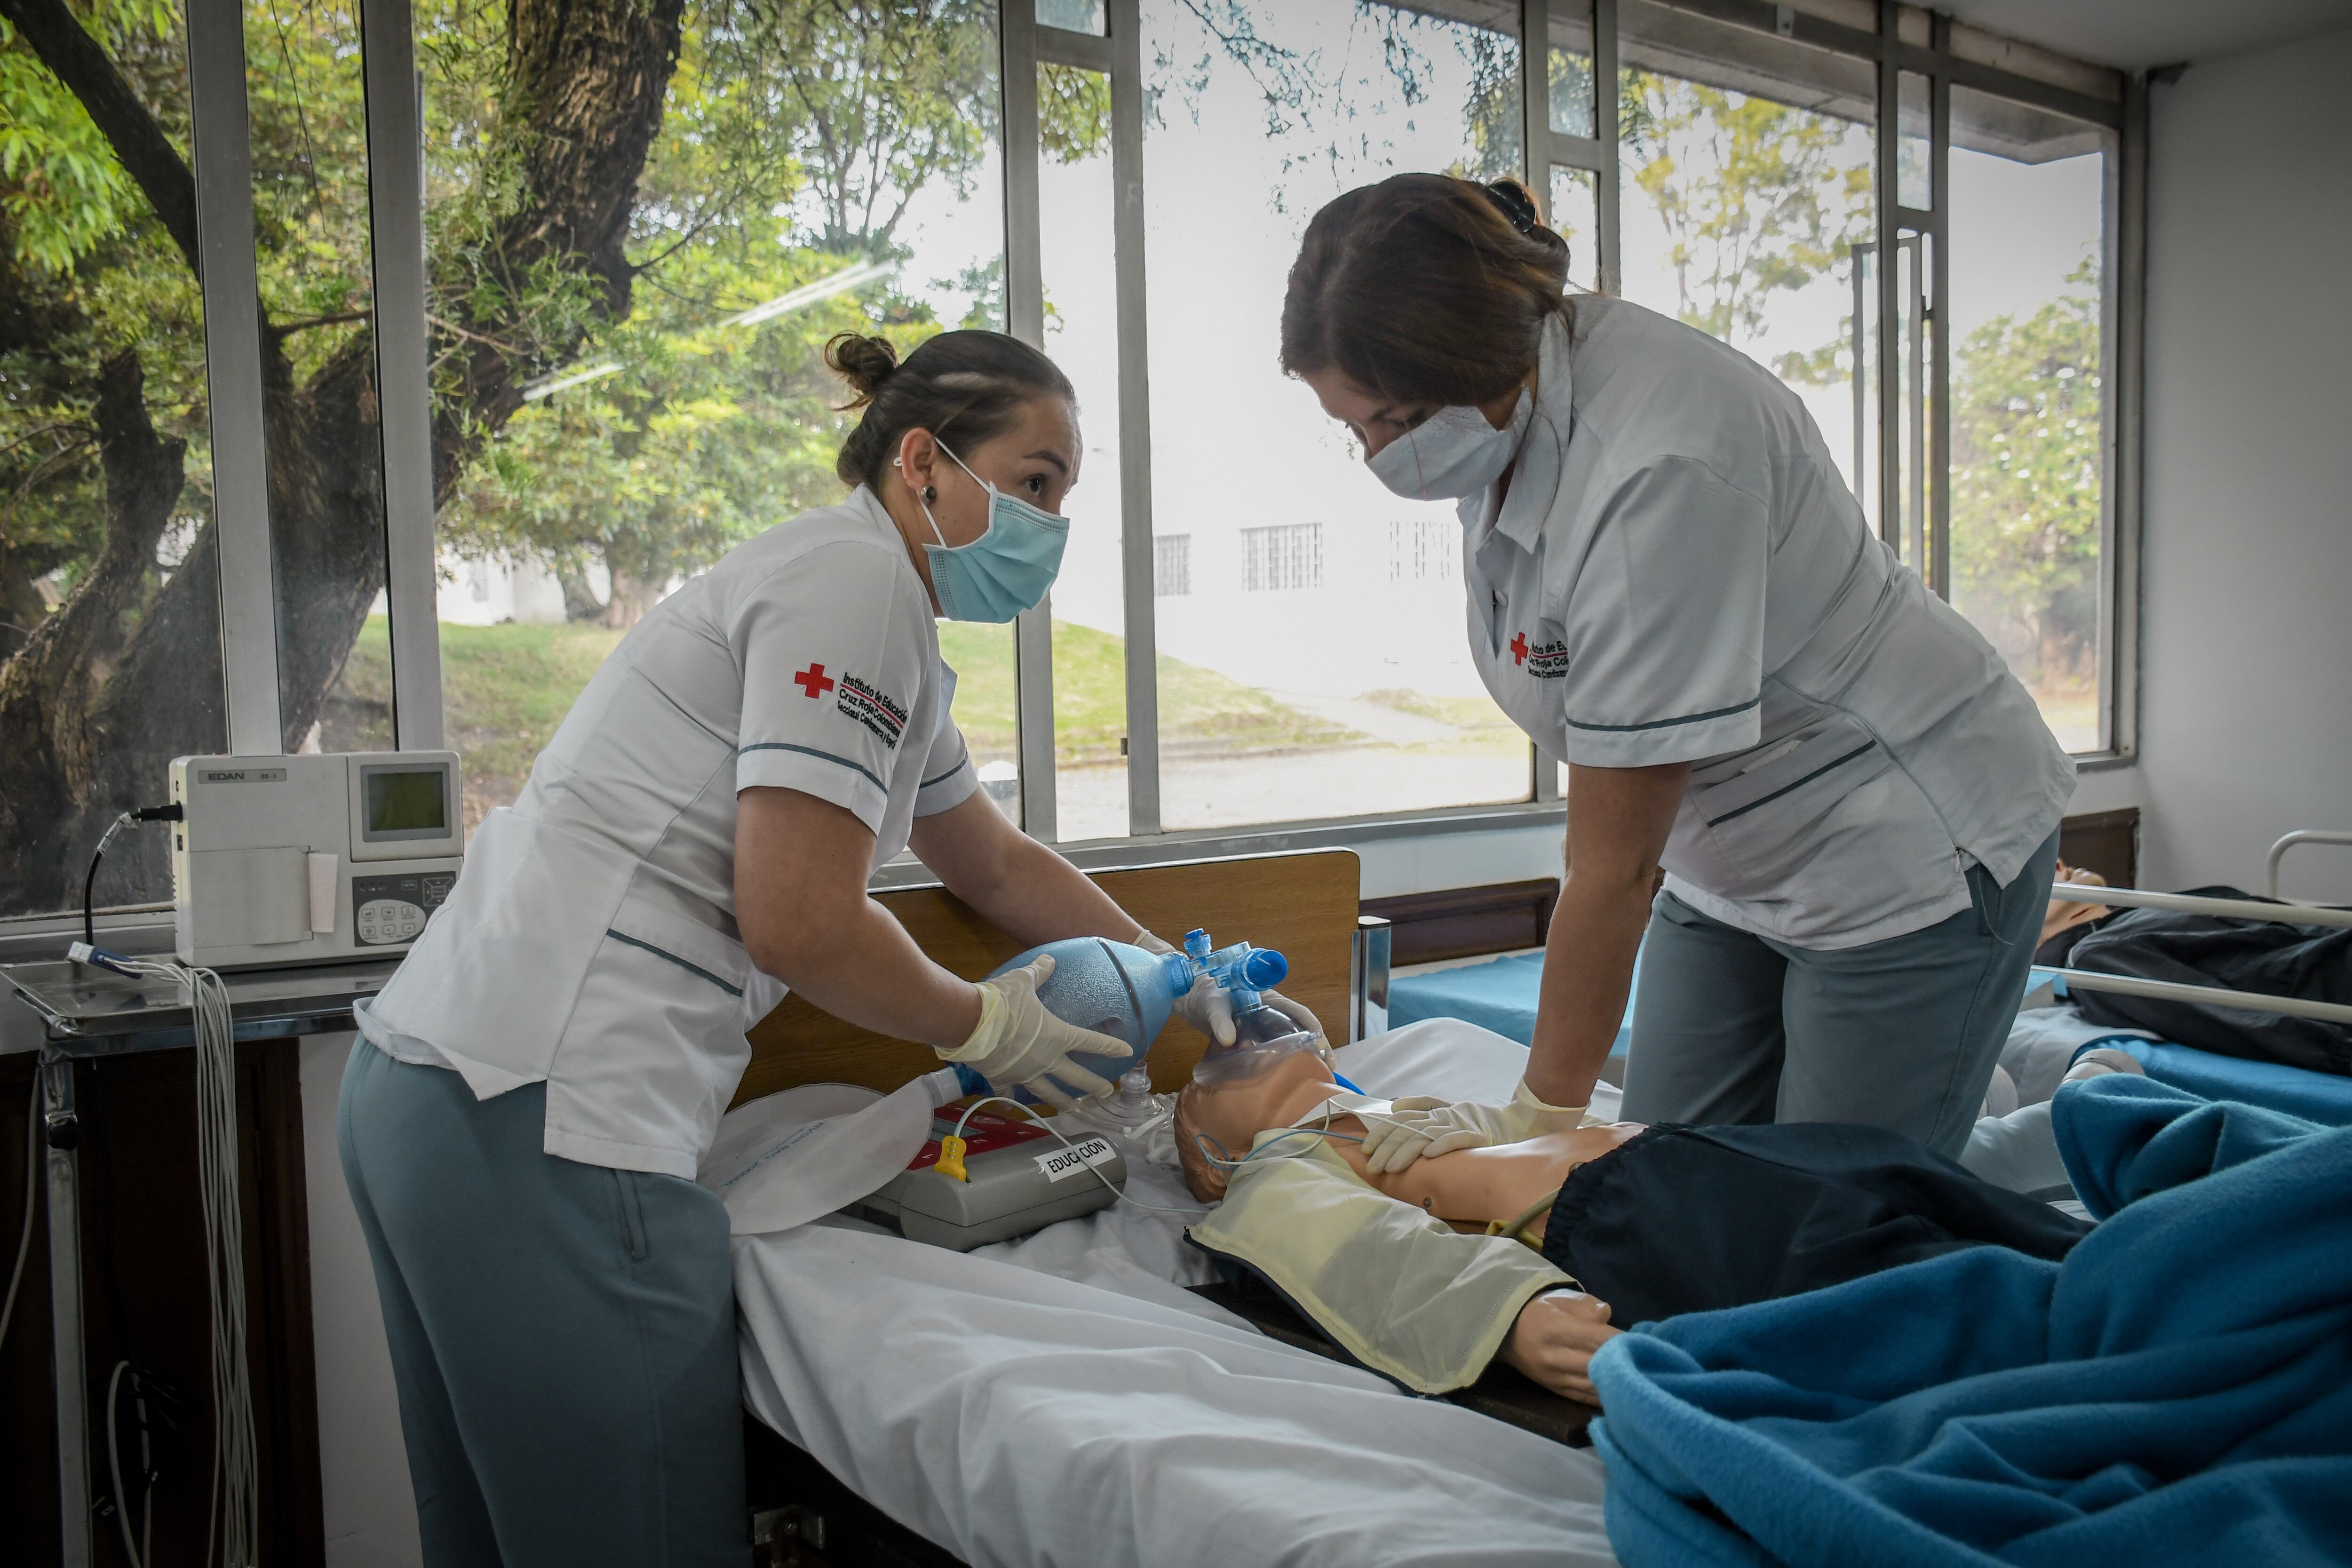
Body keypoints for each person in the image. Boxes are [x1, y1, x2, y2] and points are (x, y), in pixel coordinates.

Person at [337, 328, 1320, 1565]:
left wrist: (1181, 977)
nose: (1052, 524)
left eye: (1065, 493)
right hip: (553, 1120)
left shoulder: (840, 591)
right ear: (924, 461)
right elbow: (798, 918)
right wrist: (985, 1025)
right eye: (1034, 482)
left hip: (431, 1095)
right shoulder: (859, 594)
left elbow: (996, 864)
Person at [1279, 173, 2073, 1169]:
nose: (1376, 456)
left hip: (1900, 847)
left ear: (1477, 356)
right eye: (1353, 428)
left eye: (1391, 420)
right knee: (1673, 1179)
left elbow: (1611, 865)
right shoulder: (1508, 415)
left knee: (1825, 1229)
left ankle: (2084, 1144)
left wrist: (1536, 1124)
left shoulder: (1657, 466)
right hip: (1724, 859)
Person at [1175, 1037, 2098, 1406]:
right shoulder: (1274, 1176)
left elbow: (1530, 1128)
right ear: (1206, 1159)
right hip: (1644, 1211)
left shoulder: (1389, 1109)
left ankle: (2149, 1271)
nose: (1245, 1042)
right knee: (1960, 1306)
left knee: (1966, 1206)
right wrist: (1510, 1312)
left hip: (1710, 1155)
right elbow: (1366, 1259)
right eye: (1197, 1092)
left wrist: (1449, 1119)